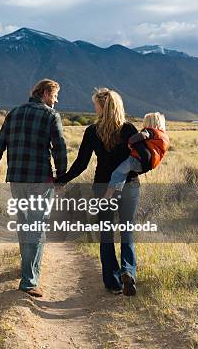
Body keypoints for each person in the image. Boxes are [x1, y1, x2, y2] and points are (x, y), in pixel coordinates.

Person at [56, 88, 146, 296]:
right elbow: (142, 158)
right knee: (127, 231)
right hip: (130, 186)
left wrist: (61, 180)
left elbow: (81, 164)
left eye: (96, 104)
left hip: (102, 187)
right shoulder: (129, 129)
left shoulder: (92, 131)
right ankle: (128, 271)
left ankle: (113, 283)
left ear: (102, 107)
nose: (94, 107)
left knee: (106, 233)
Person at [0, 79, 67, 298]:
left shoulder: (14, 113)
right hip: (40, 178)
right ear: (47, 93)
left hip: (17, 178)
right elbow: (59, 148)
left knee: (25, 223)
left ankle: (28, 269)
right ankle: (29, 280)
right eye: (56, 96)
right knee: (37, 226)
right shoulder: (50, 115)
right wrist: (61, 177)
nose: (56, 101)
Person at [104, 112, 170, 199]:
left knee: (118, 173)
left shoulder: (150, 131)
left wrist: (130, 142)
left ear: (149, 123)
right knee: (123, 173)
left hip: (136, 160)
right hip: (146, 165)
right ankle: (117, 192)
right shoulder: (163, 137)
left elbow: (142, 135)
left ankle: (109, 195)